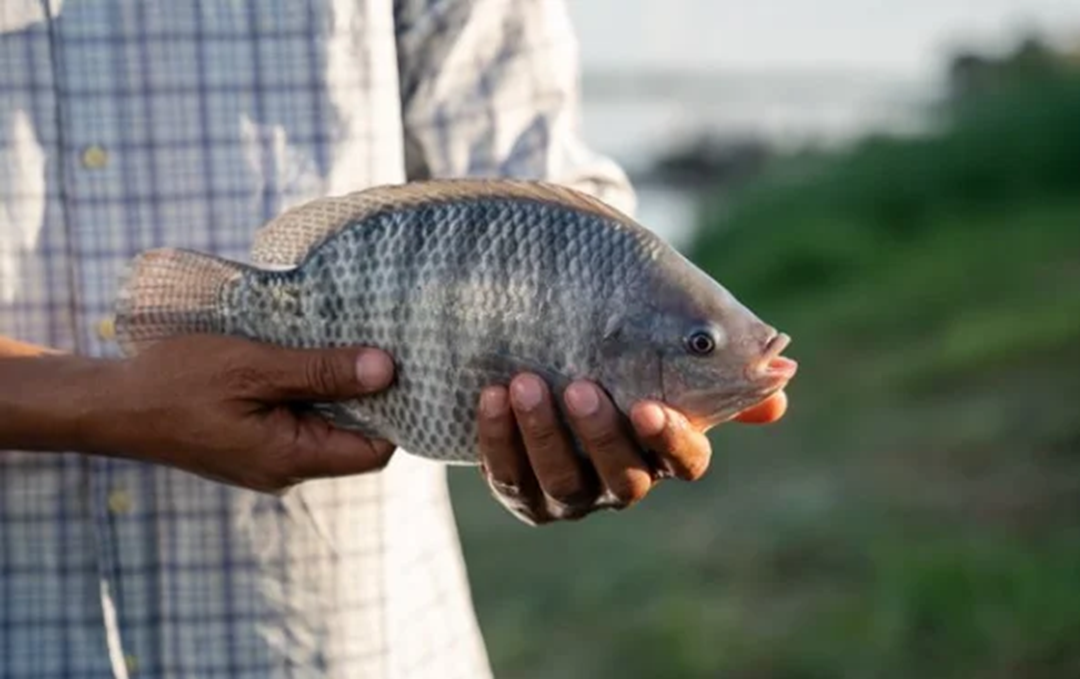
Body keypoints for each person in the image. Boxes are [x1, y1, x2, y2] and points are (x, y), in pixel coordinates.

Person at [0, 1, 784, 677]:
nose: (712, 353)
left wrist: (572, 441)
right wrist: (104, 403)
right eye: (701, 346)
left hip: (348, 636)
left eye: (697, 345)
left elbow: (539, 183)